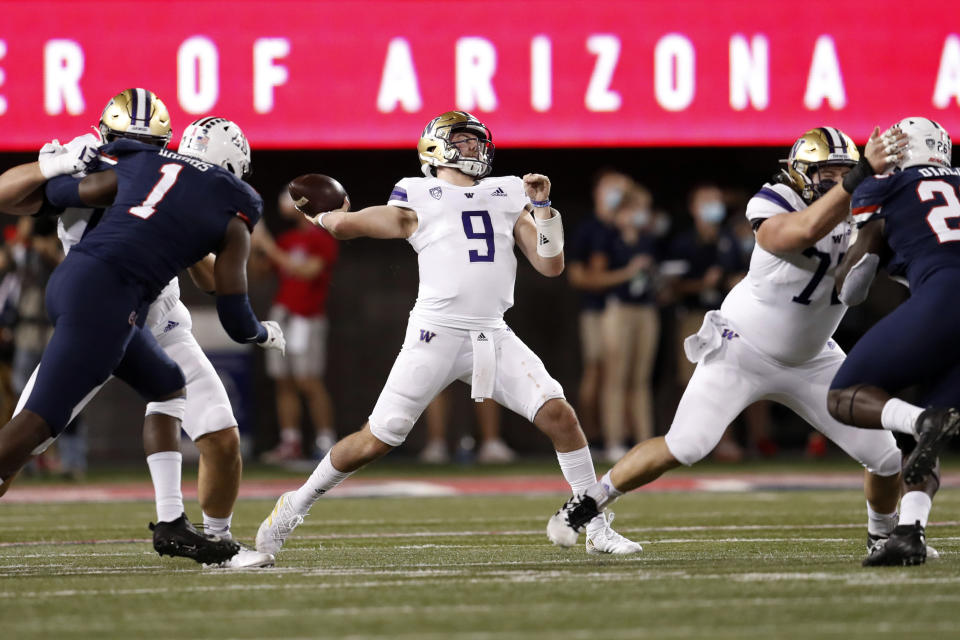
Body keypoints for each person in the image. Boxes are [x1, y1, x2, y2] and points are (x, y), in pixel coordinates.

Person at [255, 110, 641, 557]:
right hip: (435, 334)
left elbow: (550, 265)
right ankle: (292, 505)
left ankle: (594, 527)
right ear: (436, 146)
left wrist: (542, 210)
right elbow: (353, 225)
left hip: (493, 333)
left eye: (478, 140)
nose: (475, 147)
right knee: (374, 440)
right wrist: (328, 219)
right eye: (463, 139)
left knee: (560, 416)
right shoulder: (419, 192)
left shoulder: (509, 191)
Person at [545, 125, 909, 556]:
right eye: (826, 174)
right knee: (686, 445)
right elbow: (801, 232)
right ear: (799, 174)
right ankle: (588, 503)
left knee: (886, 458)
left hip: (813, 357)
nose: (837, 182)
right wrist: (860, 178)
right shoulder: (774, 200)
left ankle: (884, 538)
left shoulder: (867, 209)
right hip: (742, 347)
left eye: (843, 173)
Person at [0, 110, 284, 566]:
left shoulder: (154, 173)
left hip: (154, 315)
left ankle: (210, 540)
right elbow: (13, 194)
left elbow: (200, 266)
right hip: (100, 307)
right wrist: (50, 165)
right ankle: (182, 530)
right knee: (26, 437)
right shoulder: (103, 167)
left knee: (202, 416)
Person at [828, 116, 960, 566]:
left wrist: (864, 249)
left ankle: (921, 422)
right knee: (922, 435)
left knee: (844, 396)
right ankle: (909, 534)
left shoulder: (887, 186)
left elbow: (852, 288)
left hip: (945, 294)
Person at [254, 189, 340, 463]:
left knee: (308, 380)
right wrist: (254, 244)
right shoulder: (286, 239)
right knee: (283, 381)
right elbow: (259, 272)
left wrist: (267, 245)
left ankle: (326, 440)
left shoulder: (322, 238)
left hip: (307, 316)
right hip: (283, 315)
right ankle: (290, 441)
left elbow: (307, 272)